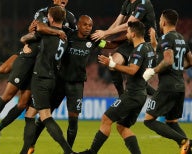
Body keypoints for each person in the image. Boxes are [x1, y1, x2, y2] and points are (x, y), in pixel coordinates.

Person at [0, 0, 75, 146]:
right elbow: (38, 29)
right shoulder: (44, 12)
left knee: (23, 103)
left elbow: (71, 36)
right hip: (29, 57)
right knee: (9, 93)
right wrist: (56, 32)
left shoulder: (70, 17)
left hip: (42, 66)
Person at [20, 15, 120, 153]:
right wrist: (34, 28)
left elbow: (111, 45)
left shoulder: (94, 40)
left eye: (90, 26)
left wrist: (127, 38)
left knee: (73, 121)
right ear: (78, 25)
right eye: (85, 25)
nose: (88, 28)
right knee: (46, 115)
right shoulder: (68, 33)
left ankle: (68, 151)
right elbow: (49, 28)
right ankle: (31, 145)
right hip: (59, 81)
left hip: (77, 85)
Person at [78, 21, 156, 154]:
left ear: (133, 33)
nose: (126, 34)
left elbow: (132, 70)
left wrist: (112, 64)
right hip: (141, 95)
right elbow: (111, 44)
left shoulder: (138, 50)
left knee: (106, 119)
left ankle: (91, 152)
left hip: (132, 94)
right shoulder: (148, 48)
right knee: (122, 126)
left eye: (127, 32)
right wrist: (98, 42)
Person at [0, 0, 76, 78]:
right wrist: (58, 32)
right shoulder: (43, 12)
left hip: (53, 54)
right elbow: (40, 28)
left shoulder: (70, 17)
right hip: (35, 47)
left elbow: (75, 35)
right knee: (4, 69)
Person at [19, 5, 75, 154]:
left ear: (50, 18)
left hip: (40, 78)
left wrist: (30, 34)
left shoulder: (47, 34)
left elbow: (23, 38)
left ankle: (67, 151)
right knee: (30, 115)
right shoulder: (65, 37)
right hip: (51, 78)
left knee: (45, 116)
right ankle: (25, 150)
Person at [91, 0, 156, 96]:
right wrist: (103, 36)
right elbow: (117, 22)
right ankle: (122, 95)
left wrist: (105, 33)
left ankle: (158, 97)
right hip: (131, 40)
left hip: (145, 43)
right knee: (113, 63)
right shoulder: (127, 3)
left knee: (137, 79)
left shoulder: (143, 4)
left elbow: (128, 25)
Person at [142, 9, 192, 154]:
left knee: (149, 120)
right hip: (180, 86)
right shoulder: (181, 38)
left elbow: (168, 60)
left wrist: (152, 71)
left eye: (160, 20)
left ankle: (183, 141)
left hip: (167, 86)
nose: (160, 22)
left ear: (164, 21)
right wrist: (176, 69)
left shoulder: (166, 38)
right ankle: (187, 148)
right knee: (172, 123)